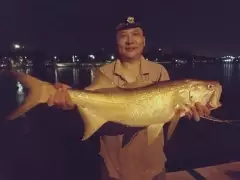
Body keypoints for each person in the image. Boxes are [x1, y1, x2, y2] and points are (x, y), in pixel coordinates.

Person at [47, 16, 211, 180]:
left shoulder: (159, 71)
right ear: (116, 42)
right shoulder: (104, 73)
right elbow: (90, 102)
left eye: (136, 34)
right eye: (123, 35)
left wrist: (186, 112)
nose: (130, 40)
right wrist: (71, 102)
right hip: (114, 170)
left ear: (144, 41)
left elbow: (164, 114)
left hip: (153, 167)